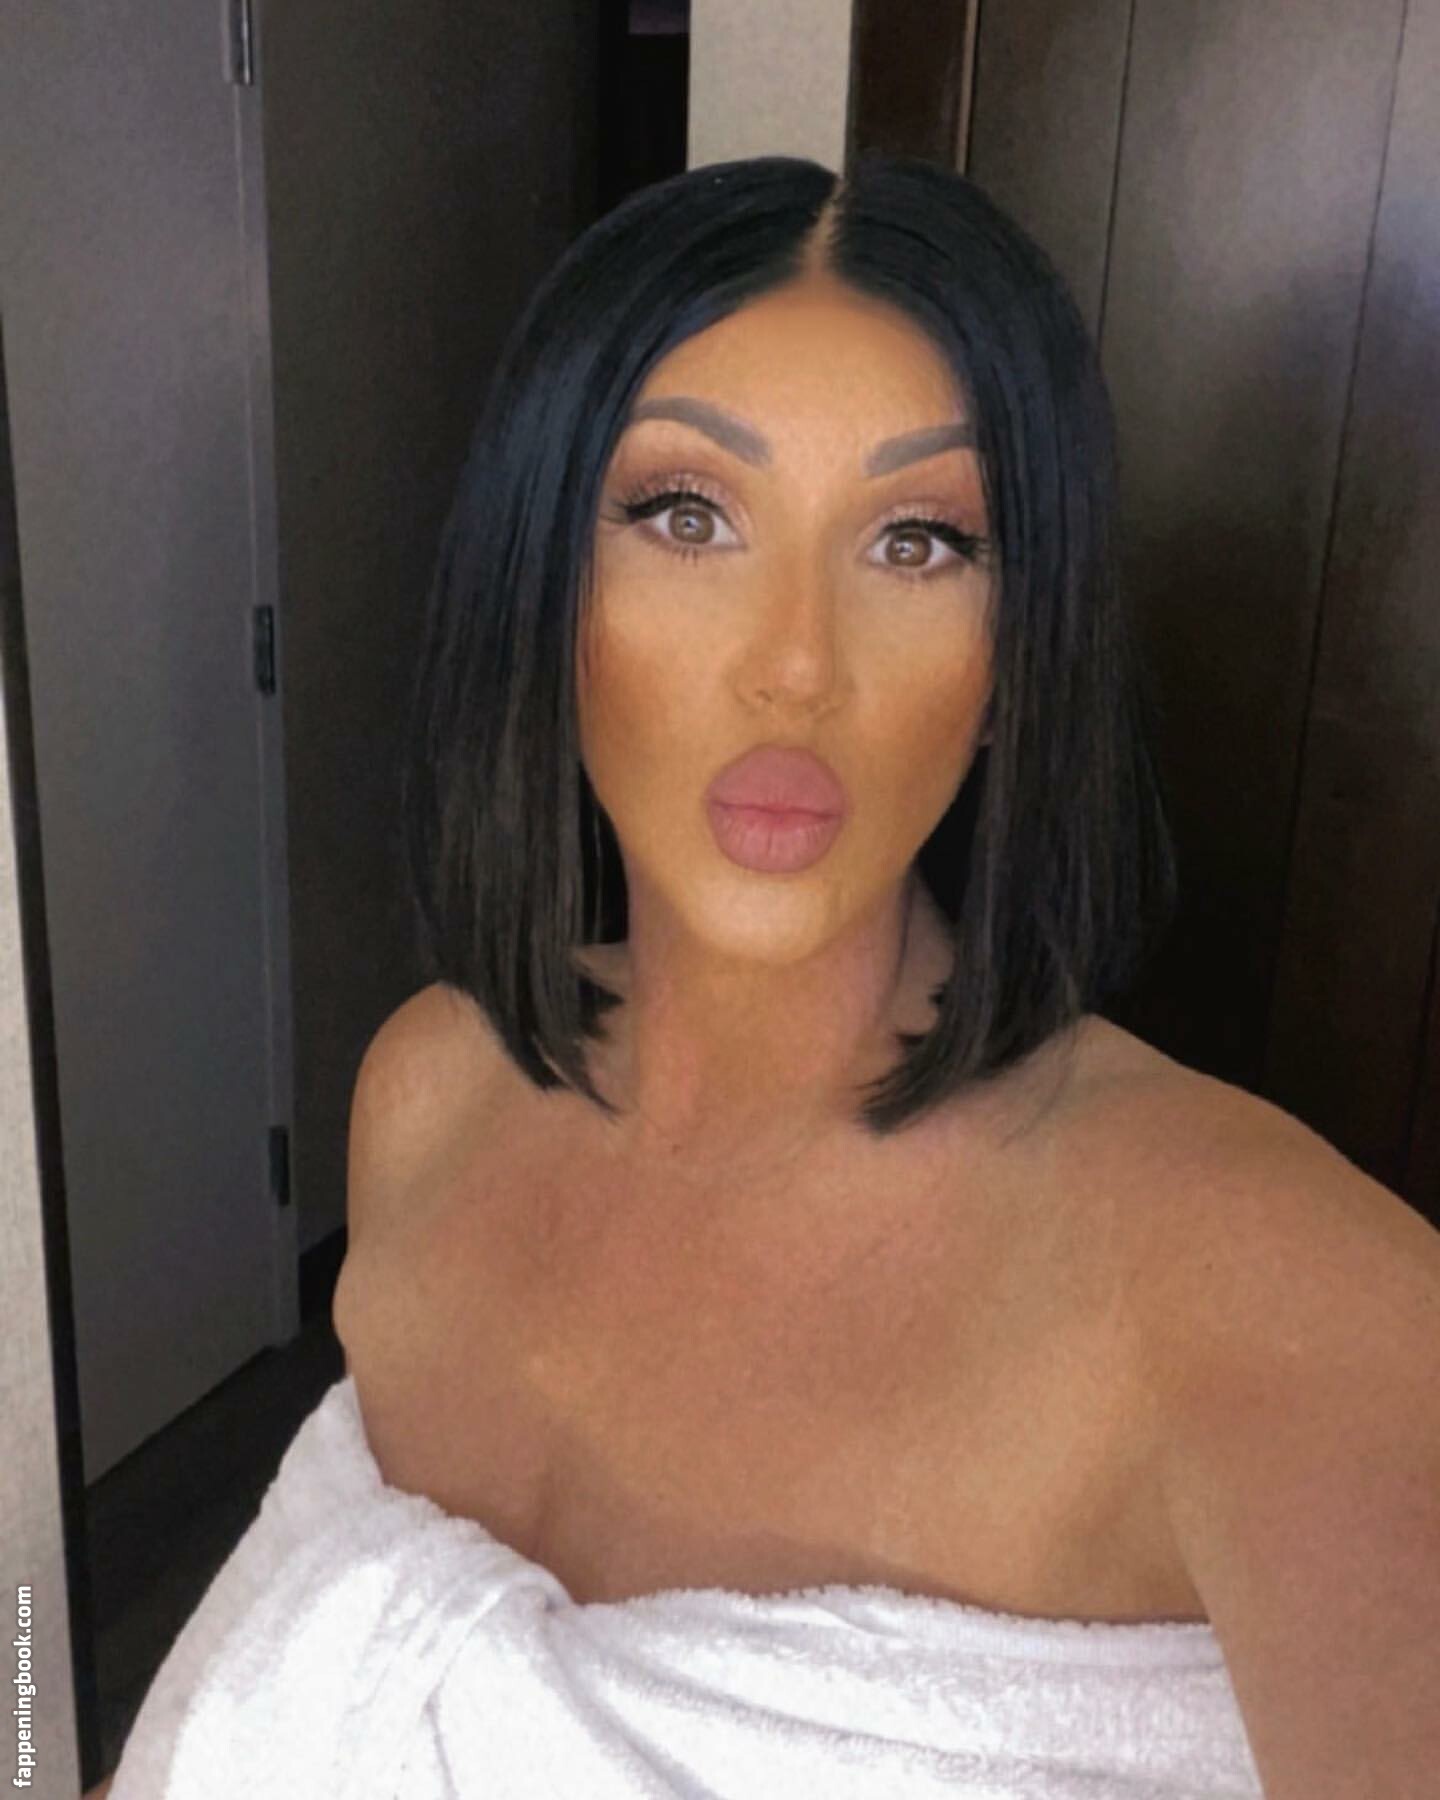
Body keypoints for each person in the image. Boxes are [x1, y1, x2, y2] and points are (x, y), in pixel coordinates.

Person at [93, 152, 1440, 1800]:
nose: (795, 665)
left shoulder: (1274, 1292)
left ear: (1022, 654)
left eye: (921, 541)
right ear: (543, 587)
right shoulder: (427, 1092)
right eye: (688, 515)